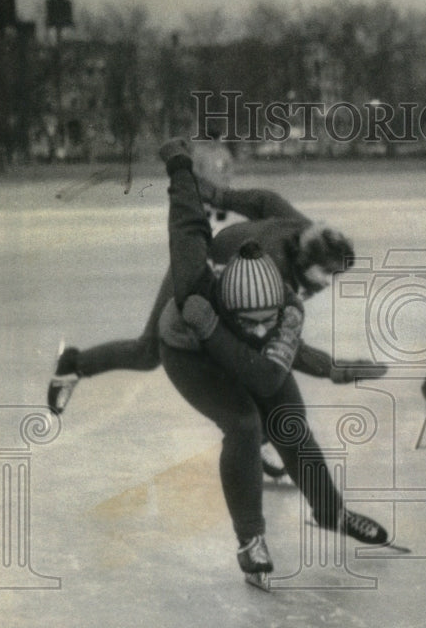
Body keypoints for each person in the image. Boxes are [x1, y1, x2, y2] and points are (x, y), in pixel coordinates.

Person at [46, 159, 385, 477]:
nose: (328, 283)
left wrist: (222, 196)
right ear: (308, 262)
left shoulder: (306, 232)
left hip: (230, 279)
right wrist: (334, 368)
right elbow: (286, 349)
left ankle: (259, 442)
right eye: (327, 274)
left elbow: (267, 202)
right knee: (151, 353)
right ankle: (73, 364)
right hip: (201, 277)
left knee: (250, 370)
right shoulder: (273, 280)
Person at [156, 138, 390, 582]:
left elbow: (268, 371)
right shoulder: (195, 292)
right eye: (250, 319)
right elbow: (186, 224)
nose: (260, 326)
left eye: (270, 318)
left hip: (231, 339)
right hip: (190, 351)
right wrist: (179, 165)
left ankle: (331, 511)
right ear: (224, 299)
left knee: (289, 420)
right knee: (244, 424)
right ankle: (250, 540)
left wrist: (334, 367)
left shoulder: (289, 308)